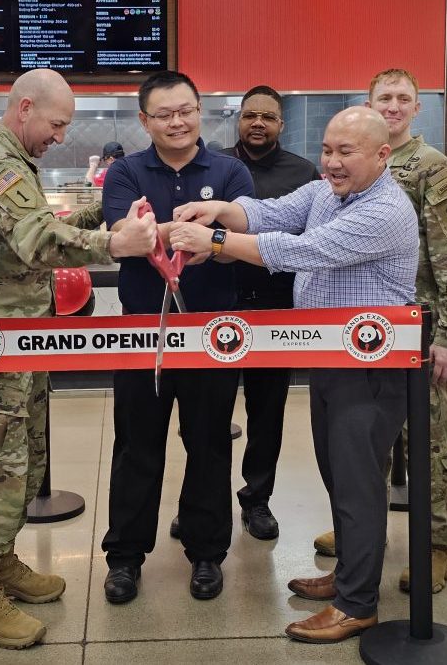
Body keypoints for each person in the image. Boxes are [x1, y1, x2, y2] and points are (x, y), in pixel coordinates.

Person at [168, 107, 418, 643]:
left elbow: (298, 250)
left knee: (358, 486)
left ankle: (358, 604)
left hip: (369, 367)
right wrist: (218, 211)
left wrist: (210, 244)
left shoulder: (385, 211)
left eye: (345, 152)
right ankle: (349, 574)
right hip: (330, 359)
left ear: (382, 155)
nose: (330, 162)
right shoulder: (327, 192)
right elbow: (272, 213)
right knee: (338, 477)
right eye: (327, 149)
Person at [0, 68, 158, 649]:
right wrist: (114, 244)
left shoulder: (14, 159)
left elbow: (36, 229)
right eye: (56, 123)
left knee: (24, 458)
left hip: (21, 341)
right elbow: (34, 241)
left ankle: (1, 563)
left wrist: (100, 215)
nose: (60, 137)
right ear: (25, 108)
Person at [308, 69, 447, 596]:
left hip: (421, 330)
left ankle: (436, 544)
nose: (395, 105)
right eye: (385, 97)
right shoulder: (352, 160)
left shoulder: (434, 169)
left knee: (429, 442)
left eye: (404, 98)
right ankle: (361, 536)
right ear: (370, 104)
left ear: (416, 108)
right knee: (363, 445)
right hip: (369, 331)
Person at [99, 70, 255, 605]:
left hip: (214, 334)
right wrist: (187, 234)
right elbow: (123, 236)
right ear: (145, 121)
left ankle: (207, 551)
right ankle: (124, 556)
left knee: (209, 442)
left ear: (199, 111)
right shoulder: (123, 172)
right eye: (164, 114)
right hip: (144, 331)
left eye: (186, 110)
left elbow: (244, 238)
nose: (177, 121)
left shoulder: (231, 171)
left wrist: (178, 234)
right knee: (136, 444)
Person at [225, 85, 319, 539]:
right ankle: (200, 499)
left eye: (267, 116)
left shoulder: (304, 174)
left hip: (276, 313)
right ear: (238, 121)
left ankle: (257, 499)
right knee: (207, 413)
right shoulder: (217, 165)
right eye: (249, 115)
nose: (257, 123)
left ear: (281, 125)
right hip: (215, 308)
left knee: (267, 414)